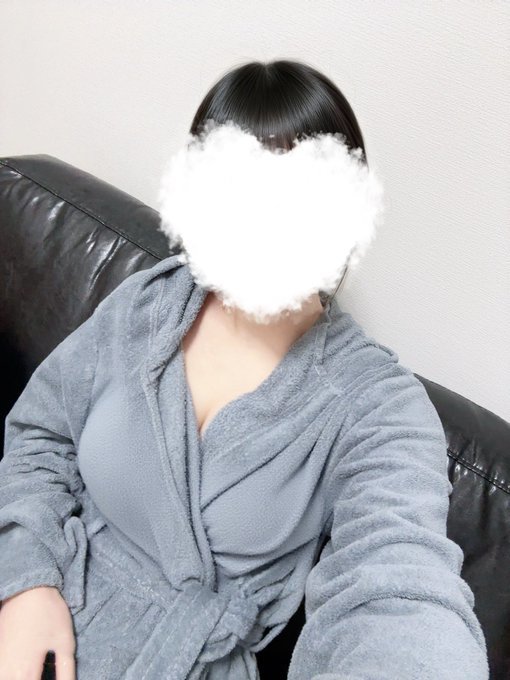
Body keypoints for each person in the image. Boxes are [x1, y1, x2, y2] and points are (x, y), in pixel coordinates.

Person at [0, 60, 489, 680]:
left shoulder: (376, 404)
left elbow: (399, 587)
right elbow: (40, 436)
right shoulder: (144, 306)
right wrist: (25, 581)